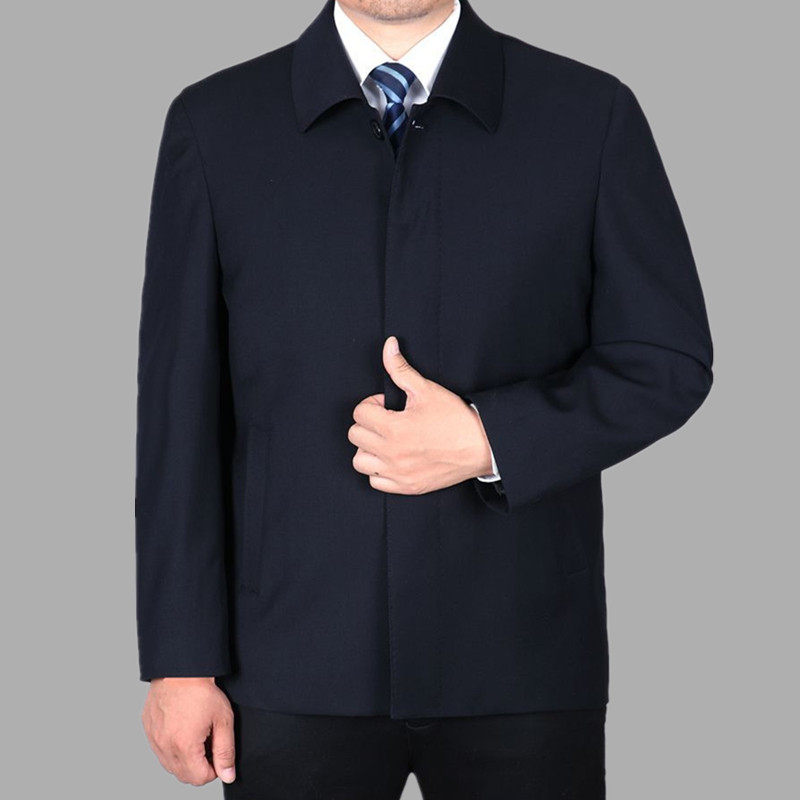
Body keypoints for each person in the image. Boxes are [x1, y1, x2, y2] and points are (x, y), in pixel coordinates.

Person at [135, 1, 713, 797]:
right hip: (285, 662)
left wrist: (490, 440)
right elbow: (179, 413)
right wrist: (179, 661)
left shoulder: (589, 114)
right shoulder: (216, 123)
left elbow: (664, 359)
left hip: (522, 659)